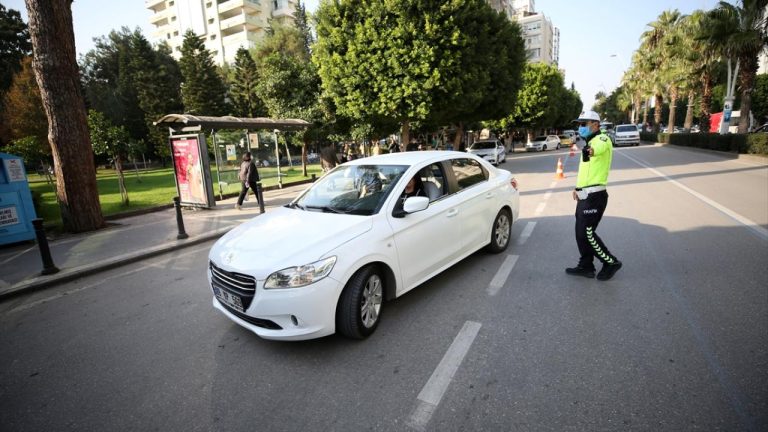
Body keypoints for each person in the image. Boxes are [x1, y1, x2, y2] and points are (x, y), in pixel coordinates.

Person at [566, 110, 622, 281]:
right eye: (579, 124)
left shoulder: (602, 139)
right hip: (585, 195)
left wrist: (591, 150)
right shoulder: (589, 142)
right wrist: (578, 189)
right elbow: (587, 172)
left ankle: (611, 262)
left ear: (595, 124)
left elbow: (598, 149)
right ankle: (586, 265)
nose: (581, 127)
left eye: (584, 124)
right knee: (580, 233)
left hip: (595, 196)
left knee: (587, 234)